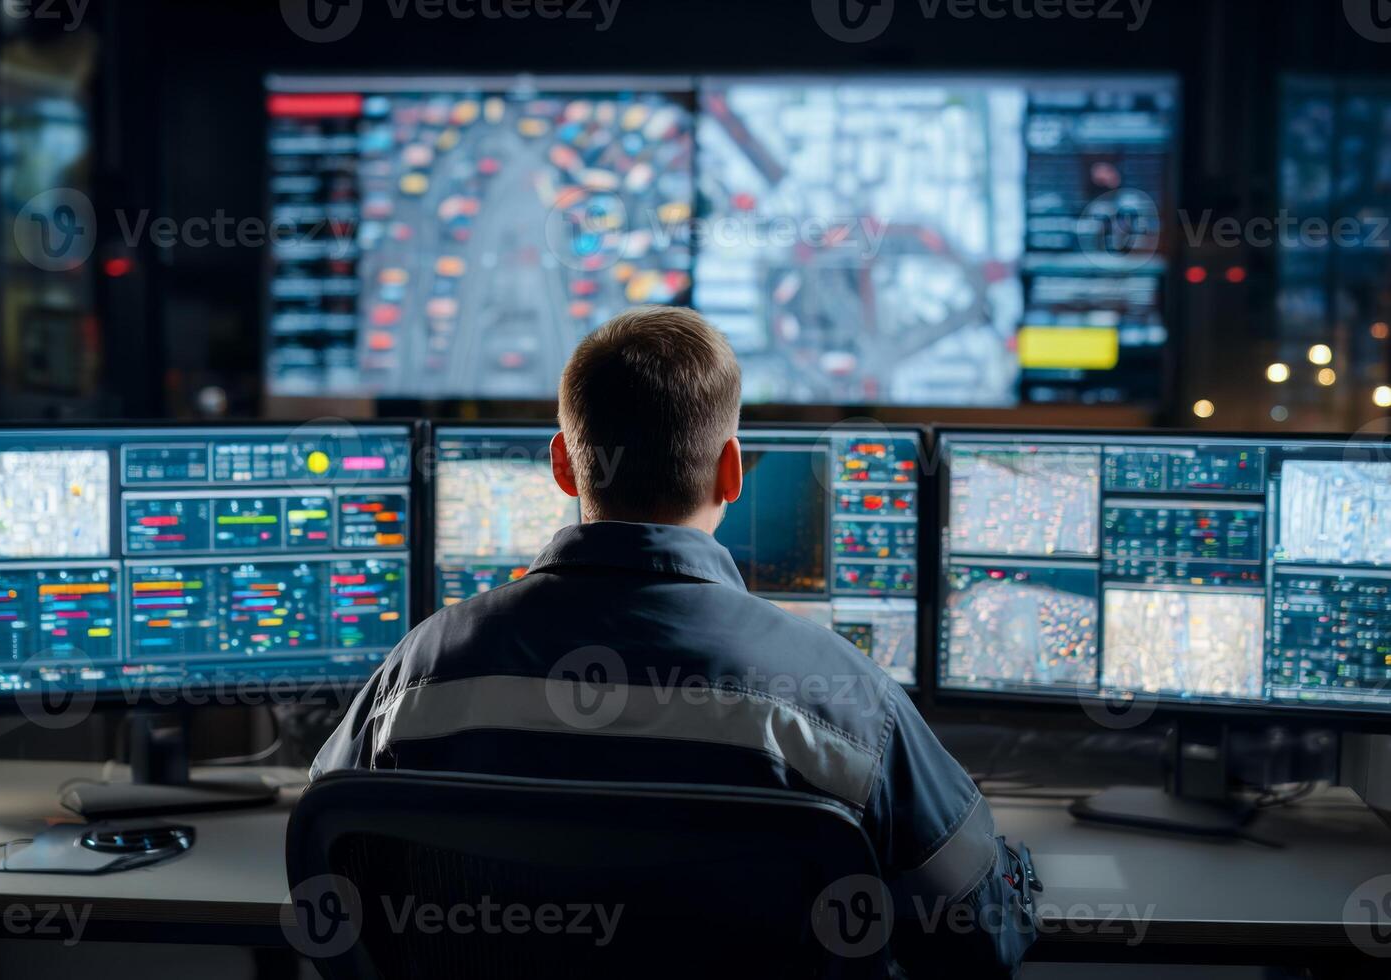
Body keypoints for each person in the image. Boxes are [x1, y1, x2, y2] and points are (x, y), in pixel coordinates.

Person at [312, 305, 1037, 976]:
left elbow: (324, 851)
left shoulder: (420, 671)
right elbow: (981, 936)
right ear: (732, 470)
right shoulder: (848, 703)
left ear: (563, 464)